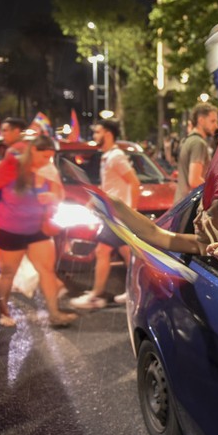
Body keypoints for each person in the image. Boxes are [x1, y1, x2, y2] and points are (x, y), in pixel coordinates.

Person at [0, 135, 78, 328]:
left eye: (50, 157)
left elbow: (59, 194)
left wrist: (52, 196)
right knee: (8, 273)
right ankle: (2, 312)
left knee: (47, 270)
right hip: (9, 229)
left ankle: (55, 313)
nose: (47, 161)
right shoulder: (10, 167)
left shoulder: (48, 169)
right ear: (33, 151)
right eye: (44, 157)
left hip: (37, 228)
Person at [69, 120, 141, 310]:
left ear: (108, 134)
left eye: (97, 132)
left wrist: (130, 213)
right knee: (129, 255)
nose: (94, 136)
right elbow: (110, 186)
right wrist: (93, 201)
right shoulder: (107, 156)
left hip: (118, 215)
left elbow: (134, 183)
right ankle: (135, 290)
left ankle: (96, 295)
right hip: (114, 214)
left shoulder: (116, 156)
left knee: (103, 251)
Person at [107, 195, 218, 271]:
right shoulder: (202, 244)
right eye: (197, 213)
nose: (195, 221)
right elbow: (153, 233)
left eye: (207, 214)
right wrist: (113, 203)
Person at [173, 102, 218, 203]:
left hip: (181, 204)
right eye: (212, 121)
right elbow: (194, 180)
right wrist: (216, 190)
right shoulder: (198, 143)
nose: (216, 126)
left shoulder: (187, 140)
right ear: (201, 121)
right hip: (190, 206)